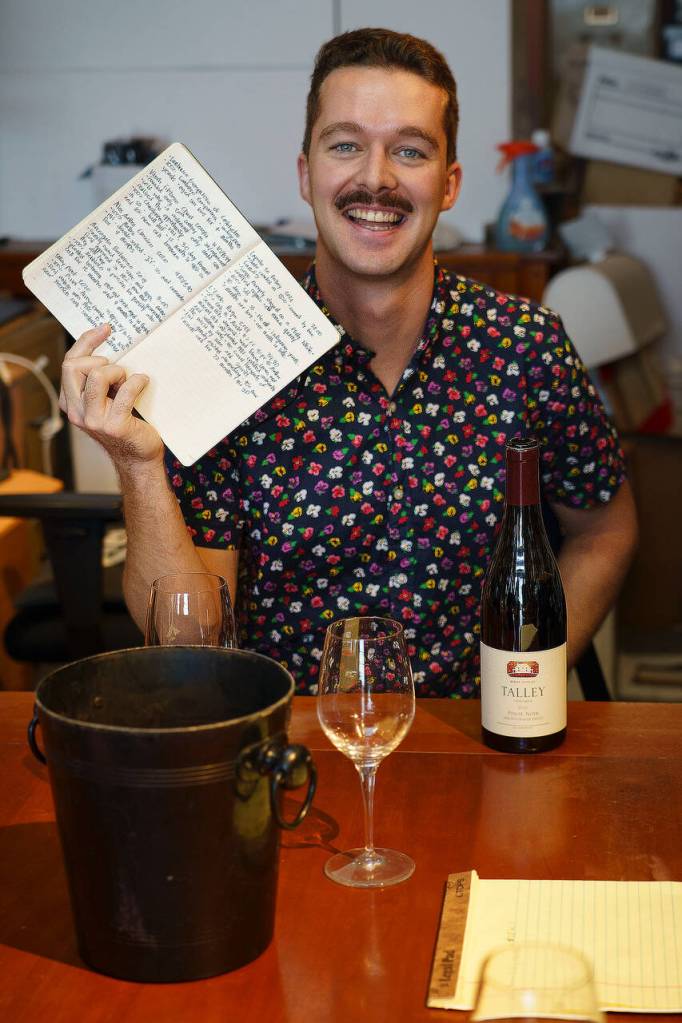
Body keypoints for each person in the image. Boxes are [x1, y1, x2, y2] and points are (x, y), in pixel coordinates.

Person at [60, 27, 637, 696]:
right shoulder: (230, 363)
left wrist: (524, 683)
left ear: (448, 184)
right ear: (306, 174)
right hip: (290, 755)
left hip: (475, 748)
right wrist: (138, 464)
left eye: (410, 151)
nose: (375, 178)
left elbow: (605, 530)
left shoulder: (525, 348)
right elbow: (187, 643)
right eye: (345, 145)